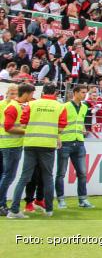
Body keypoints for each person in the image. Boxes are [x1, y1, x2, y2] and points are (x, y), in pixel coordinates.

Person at [8, 83, 67, 218]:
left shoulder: (32, 104)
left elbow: (23, 121)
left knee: (24, 177)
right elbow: (62, 126)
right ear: (55, 93)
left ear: (42, 92)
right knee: (47, 177)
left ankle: (14, 210)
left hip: (31, 143)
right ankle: (49, 210)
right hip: (47, 145)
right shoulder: (60, 106)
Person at [55, 84, 94, 209]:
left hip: (79, 142)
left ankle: (82, 199)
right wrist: (58, 138)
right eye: (82, 92)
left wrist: (82, 129)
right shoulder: (64, 107)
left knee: (82, 173)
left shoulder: (84, 107)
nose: (84, 95)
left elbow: (80, 121)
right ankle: (61, 199)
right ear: (75, 93)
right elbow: (58, 123)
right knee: (61, 173)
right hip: (65, 142)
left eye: (85, 93)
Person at [0, 83, 25, 217]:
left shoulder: (16, 106)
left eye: (16, 93)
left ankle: (2, 203)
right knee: (7, 176)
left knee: (5, 175)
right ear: (7, 93)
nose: (14, 96)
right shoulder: (5, 106)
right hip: (7, 143)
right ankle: (1, 204)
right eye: (12, 93)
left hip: (8, 143)